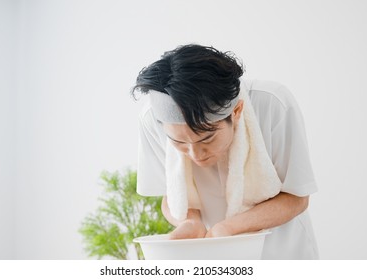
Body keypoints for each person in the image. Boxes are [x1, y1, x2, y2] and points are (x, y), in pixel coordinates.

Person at [131, 44, 319, 259]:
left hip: (282, 252)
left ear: (237, 111)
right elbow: (171, 193)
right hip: (212, 257)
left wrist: (228, 230)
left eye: (207, 138)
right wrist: (190, 221)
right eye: (179, 142)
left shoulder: (272, 104)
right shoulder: (152, 120)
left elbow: (297, 196)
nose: (196, 155)